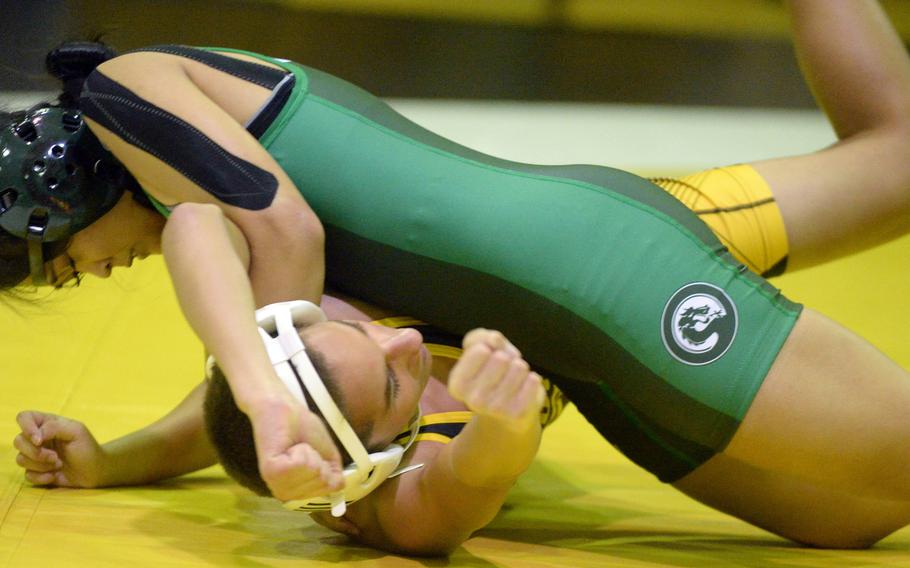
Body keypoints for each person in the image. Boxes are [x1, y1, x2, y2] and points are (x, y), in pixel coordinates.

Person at [8, 0, 910, 553]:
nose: (96, 273)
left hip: (603, 276)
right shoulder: (239, 254)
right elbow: (250, 393)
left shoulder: (119, 95)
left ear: (60, 201)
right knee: (850, 514)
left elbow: (268, 239)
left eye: (68, 269)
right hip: (584, 289)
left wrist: (263, 392)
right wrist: (120, 461)